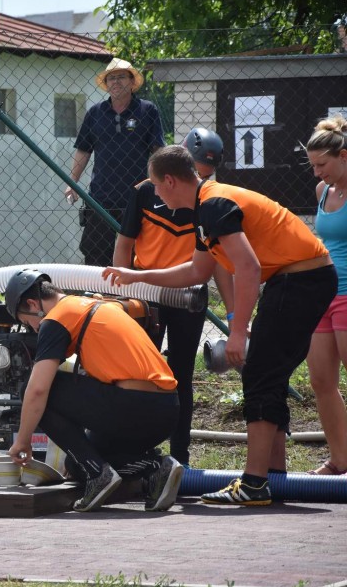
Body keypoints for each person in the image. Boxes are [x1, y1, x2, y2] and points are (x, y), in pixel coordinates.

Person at [103, 146, 336, 506]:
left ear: (170, 181)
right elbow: (196, 271)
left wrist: (238, 330)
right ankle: (272, 477)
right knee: (269, 375)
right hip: (296, 280)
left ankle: (254, 483)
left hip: (300, 280)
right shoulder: (204, 207)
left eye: (156, 186)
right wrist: (137, 276)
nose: (156, 195)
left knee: (259, 374)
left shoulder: (213, 204)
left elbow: (248, 267)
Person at [3, 270, 184, 513]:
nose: (34, 329)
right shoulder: (93, 305)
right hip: (166, 409)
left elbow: (37, 390)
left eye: (28, 323)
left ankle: (100, 475)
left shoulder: (57, 318)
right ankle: (155, 468)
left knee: (38, 390)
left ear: (33, 304)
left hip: (137, 407)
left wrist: (23, 441)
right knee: (80, 464)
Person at [112, 127, 234, 466]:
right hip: (145, 292)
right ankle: (136, 451)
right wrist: (121, 295)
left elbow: (219, 263)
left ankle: (180, 457)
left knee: (181, 374)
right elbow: (124, 244)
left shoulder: (210, 200)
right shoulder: (145, 191)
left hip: (188, 295)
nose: (199, 180)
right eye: (196, 171)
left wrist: (234, 315)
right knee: (138, 372)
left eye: (205, 175)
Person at [64, 58, 164, 267]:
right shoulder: (95, 113)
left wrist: (162, 182)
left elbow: (157, 150)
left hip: (137, 196)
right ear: (106, 84)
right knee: (96, 254)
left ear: (132, 82)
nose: (116, 82)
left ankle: (135, 288)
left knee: (138, 255)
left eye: (121, 77)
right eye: (111, 78)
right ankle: (98, 288)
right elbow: (84, 150)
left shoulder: (147, 110)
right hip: (100, 197)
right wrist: (72, 182)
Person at [304, 114, 347, 476]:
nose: (317, 173)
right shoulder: (323, 191)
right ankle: (339, 460)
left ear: (343, 156)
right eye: (313, 166)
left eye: (322, 165)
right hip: (322, 295)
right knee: (320, 381)